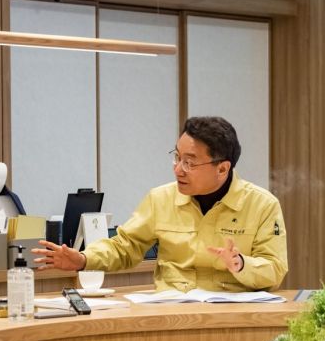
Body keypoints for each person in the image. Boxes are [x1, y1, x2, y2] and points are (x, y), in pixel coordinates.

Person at [34, 116, 288, 292]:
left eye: (190, 162)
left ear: (222, 168)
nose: (178, 169)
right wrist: (82, 259)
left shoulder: (262, 205)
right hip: (172, 311)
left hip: (232, 312)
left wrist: (241, 263)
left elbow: (275, 270)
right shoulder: (160, 199)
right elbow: (126, 246)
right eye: (177, 157)